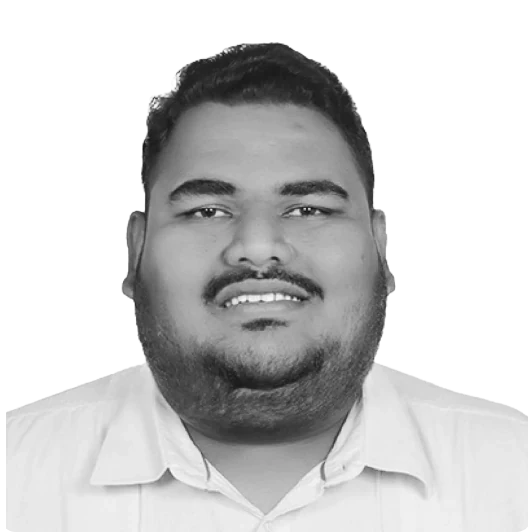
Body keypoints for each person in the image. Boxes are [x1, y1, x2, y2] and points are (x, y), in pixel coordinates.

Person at [7, 42, 527, 531]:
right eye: (207, 210)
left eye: (308, 209)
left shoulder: (514, 472)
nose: (257, 247)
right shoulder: (11, 474)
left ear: (381, 241)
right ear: (135, 246)